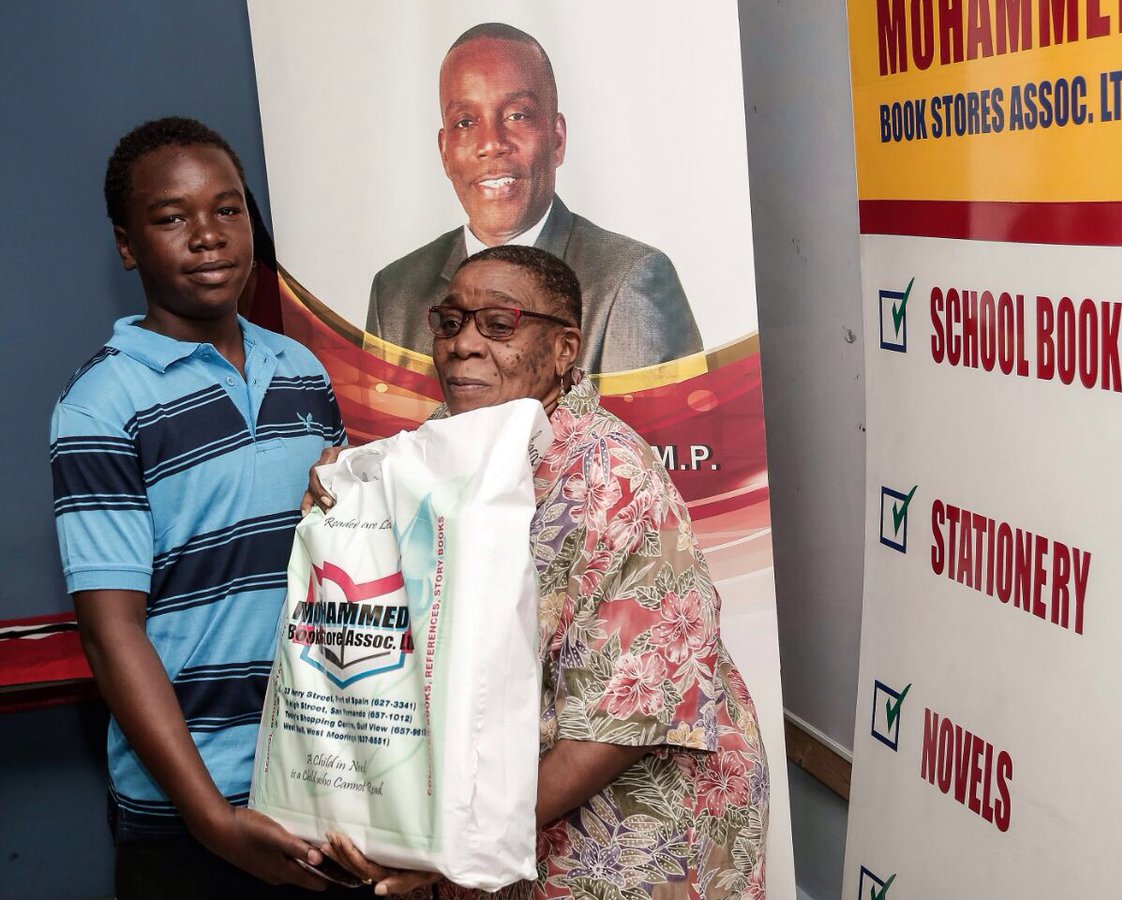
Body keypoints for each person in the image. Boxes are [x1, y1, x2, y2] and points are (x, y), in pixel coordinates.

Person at [314, 245, 767, 899]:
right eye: (449, 321)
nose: (464, 344)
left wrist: (456, 852)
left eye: (498, 324)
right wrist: (337, 500)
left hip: (622, 829)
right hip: (498, 813)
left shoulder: (608, 474)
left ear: (564, 350)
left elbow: (623, 721)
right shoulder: (445, 442)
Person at [50, 117, 355, 898]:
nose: (208, 236)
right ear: (127, 245)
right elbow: (110, 628)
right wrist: (209, 817)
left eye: (227, 209)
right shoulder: (101, 403)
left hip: (324, 783)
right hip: (189, 808)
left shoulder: (302, 372)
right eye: (172, 217)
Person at [364, 23, 703, 374]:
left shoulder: (629, 284)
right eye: (465, 122)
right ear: (445, 152)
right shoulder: (394, 296)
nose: (491, 143)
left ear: (556, 140)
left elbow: (656, 431)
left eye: (517, 115)